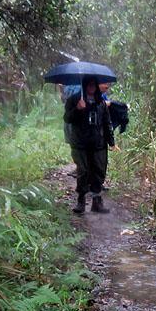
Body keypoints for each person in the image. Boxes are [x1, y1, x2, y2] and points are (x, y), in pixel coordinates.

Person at [64, 78, 115, 214]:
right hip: (80, 144)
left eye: (94, 84)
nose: (92, 87)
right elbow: (67, 118)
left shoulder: (101, 102)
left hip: (98, 144)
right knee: (83, 171)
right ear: (85, 85)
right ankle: (81, 201)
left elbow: (107, 122)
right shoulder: (74, 99)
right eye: (89, 84)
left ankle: (97, 203)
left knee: (98, 172)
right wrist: (78, 109)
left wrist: (111, 142)